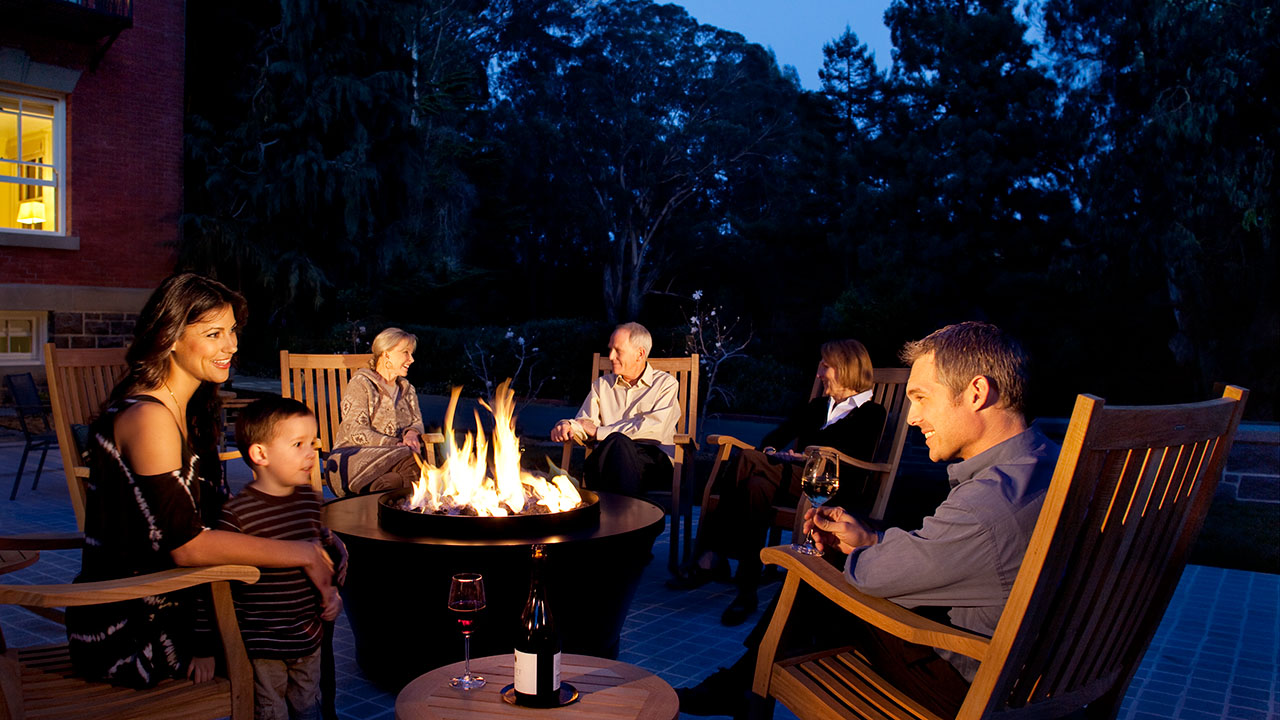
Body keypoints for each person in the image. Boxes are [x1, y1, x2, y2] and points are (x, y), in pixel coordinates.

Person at [677, 321, 1061, 719]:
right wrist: (872, 540)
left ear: (977, 393)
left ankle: (746, 684)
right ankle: (742, 682)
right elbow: (954, 554)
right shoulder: (1049, 464)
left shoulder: (986, 505)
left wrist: (841, 558)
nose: (912, 417)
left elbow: (874, 579)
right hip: (1042, 678)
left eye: (922, 397)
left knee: (815, 575)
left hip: (977, 692)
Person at [68, 273, 338, 689]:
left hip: (183, 597)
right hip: (135, 623)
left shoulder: (192, 407)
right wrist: (300, 553)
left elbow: (218, 515)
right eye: (214, 334)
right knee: (295, 604)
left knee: (317, 569)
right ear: (170, 337)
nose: (230, 345)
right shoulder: (149, 417)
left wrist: (306, 539)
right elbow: (187, 546)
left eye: (231, 331)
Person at [669, 339, 887, 627]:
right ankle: (746, 590)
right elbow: (773, 438)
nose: (819, 374)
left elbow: (851, 457)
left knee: (748, 460)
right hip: (795, 477)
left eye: (826, 367)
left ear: (845, 369)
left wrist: (803, 456)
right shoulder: (817, 406)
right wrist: (776, 453)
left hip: (830, 487)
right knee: (755, 484)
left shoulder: (872, 413)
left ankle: (712, 554)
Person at [221, 397, 345, 720]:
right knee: (270, 711)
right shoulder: (238, 516)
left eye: (312, 443)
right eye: (298, 444)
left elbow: (320, 559)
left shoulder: (307, 503)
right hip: (264, 646)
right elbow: (215, 585)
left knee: (308, 708)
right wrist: (206, 649)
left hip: (308, 639)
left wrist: (331, 594)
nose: (311, 453)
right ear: (260, 454)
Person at [549, 322, 680, 496]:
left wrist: (600, 432)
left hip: (652, 464)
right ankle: (627, 517)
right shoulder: (602, 385)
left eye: (618, 351)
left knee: (618, 443)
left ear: (640, 354)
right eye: (610, 349)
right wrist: (567, 425)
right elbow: (584, 423)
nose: (611, 356)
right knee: (615, 448)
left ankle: (612, 515)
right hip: (607, 460)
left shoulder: (665, 384)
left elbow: (654, 429)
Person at [327, 327, 427, 494]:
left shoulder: (407, 389)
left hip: (397, 459)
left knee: (398, 477)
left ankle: (377, 494)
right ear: (386, 354)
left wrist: (411, 433)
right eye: (406, 353)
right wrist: (394, 444)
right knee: (414, 463)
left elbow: (417, 422)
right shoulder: (361, 384)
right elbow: (354, 431)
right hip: (351, 460)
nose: (411, 359)